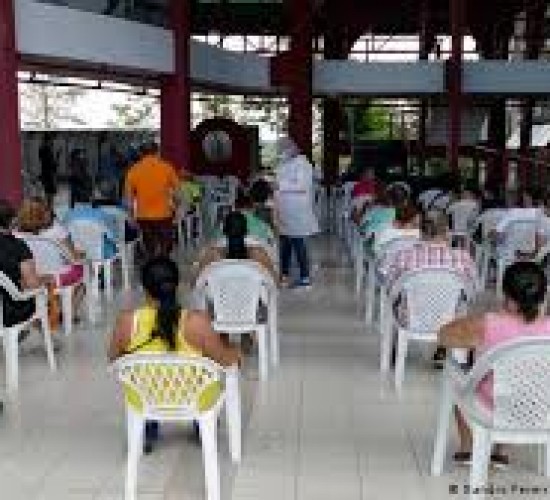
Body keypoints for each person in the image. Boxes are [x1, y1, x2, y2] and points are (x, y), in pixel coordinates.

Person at [109, 257, 241, 453]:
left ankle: (148, 426)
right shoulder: (196, 322)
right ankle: (200, 424)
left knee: (145, 378)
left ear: (144, 288)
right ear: (177, 286)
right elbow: (223, 360)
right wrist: (236, 353)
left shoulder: (127, 322)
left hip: (144, 397)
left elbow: (114, 358)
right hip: (194, 398)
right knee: (218, 368)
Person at [438, 261, 550, 468]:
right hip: (541, 408)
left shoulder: (486, 323)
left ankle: (467, 448)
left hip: (492, 408)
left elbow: (444, 336)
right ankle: (501, 452)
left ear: (505, 293)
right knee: (522, 385)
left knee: (460, 382)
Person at [274, 137, 319, 289]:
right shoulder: (284, 163)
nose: (281, 154)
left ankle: (305, 277)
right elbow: (279, 184)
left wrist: (279, 185)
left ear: (292, 149)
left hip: (297, 211)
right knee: (284, 244)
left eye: (283, 150)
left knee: (299, 244)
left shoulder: (303, 164)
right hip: (285, 210)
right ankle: (284, 275)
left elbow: (302, 185)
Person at [0, 199, 51, 328]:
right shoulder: (17, 246)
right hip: (10, 312)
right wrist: (47, 279)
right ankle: (46, 335)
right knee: (43, 288)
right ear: (12, 221)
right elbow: (31, 283)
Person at [125, 142, 180, 258]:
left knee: (150, 246)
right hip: (164, 215)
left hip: (143, 216)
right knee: (165, 247)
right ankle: (164, 265)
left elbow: (129, 198)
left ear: (141, 154)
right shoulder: (167, 167)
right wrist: (178, 210)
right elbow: (177, 193)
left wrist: (131, 216)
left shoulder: (133, 170)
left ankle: (152, 266)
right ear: (157, 152)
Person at [15, 198, 85, 288]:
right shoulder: (57, 230)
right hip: (59, 276)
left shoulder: (16, 234)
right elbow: (73, 258)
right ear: (45, 213)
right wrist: (80, 254)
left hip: (33, 276)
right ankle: (68, 300)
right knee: (80, 272)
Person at [195, 211, 278, 283]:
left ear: (224, 231)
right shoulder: (259, 255)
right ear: (246, 232)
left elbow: (196, 282)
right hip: (252, 300)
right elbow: (274, 283)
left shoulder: (212, 255)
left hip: (219, 300)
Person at [39, 133, 58, 206]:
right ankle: (50, 210)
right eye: (51, 140)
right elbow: (52, 164)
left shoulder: (41, 149)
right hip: (49, 174)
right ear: (48, 140)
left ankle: (49, 209)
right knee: (50, 194)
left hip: (44, 173)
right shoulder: (47, 150)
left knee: (47, 193)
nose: (52, 142)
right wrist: (56, 157)